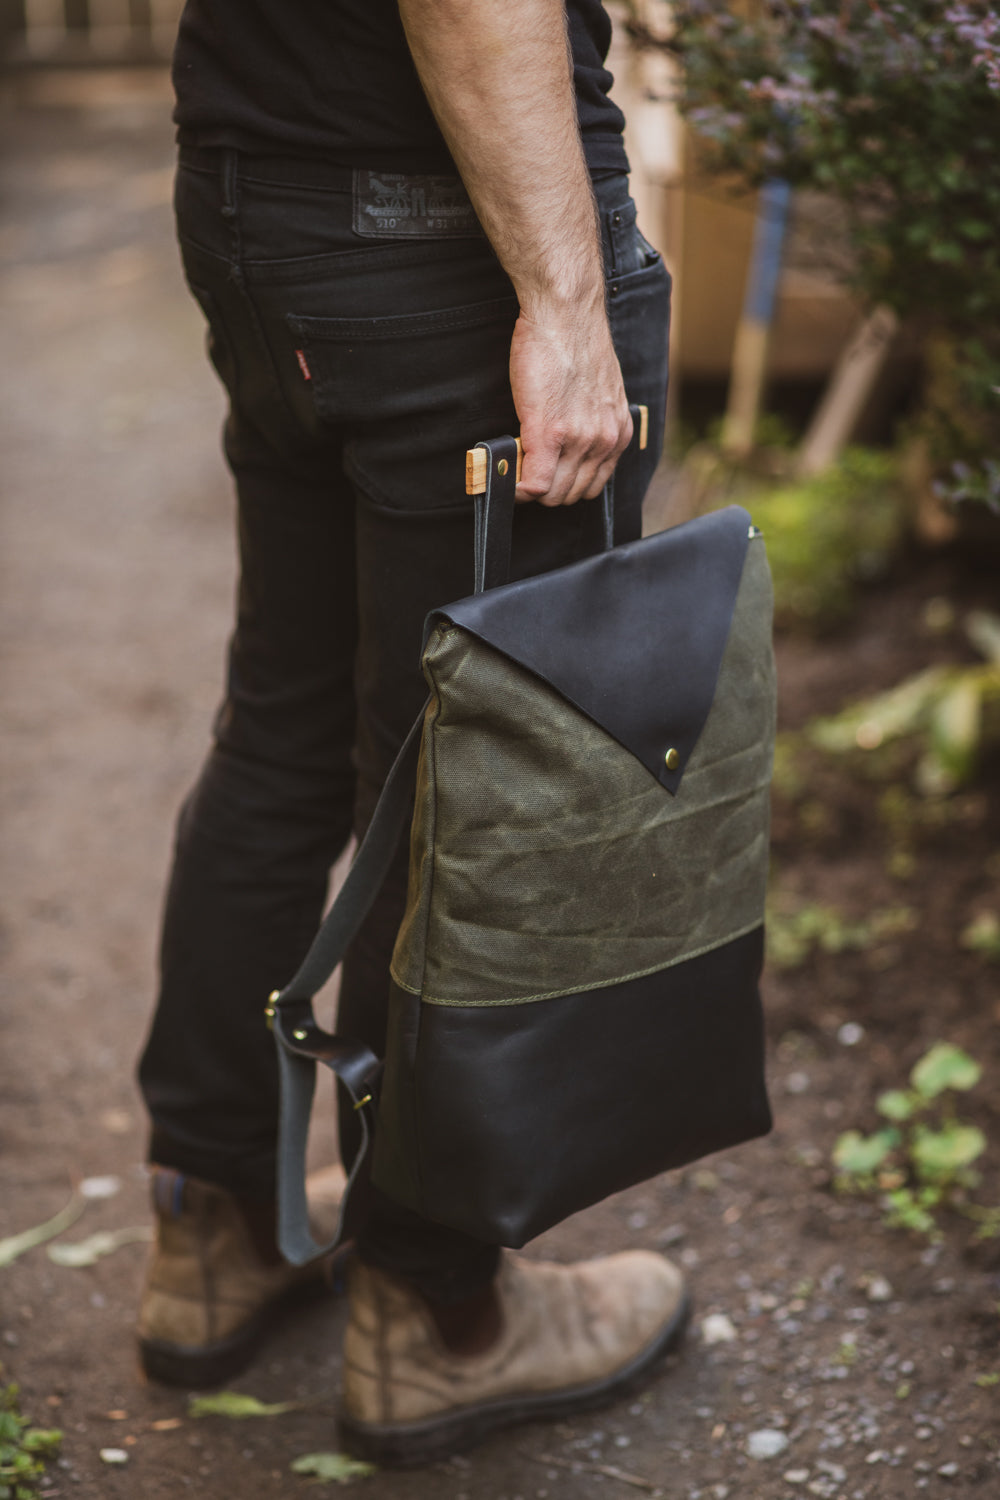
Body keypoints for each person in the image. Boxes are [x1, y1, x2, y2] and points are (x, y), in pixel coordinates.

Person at [136, 0, 686, 1465]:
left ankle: (215, 1230)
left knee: (290, 737)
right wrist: (567, 308)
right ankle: (435, 1314)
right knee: (469, 796)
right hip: (441, 237)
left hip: (264, 193)